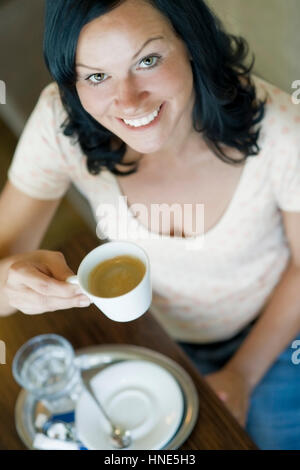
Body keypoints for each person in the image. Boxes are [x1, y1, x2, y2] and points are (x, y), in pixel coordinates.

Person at [0, 0, 300, 450]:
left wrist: (243, 372)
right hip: (150, 332)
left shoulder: (282, 130)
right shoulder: (60, 122)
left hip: (273, 332)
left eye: (148, 60)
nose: (127, 100)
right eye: (96, 76)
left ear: (193, 46)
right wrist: (7, 284)